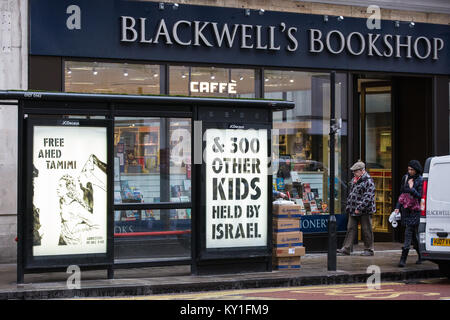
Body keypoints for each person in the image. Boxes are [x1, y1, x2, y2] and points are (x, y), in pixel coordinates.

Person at [337, 160, 376, 256]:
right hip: (353, 209)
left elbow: (368, 197)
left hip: (364, 210)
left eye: (356, 171)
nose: (354, 173)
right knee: (350, 228)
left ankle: (369, 249)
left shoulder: (368, 181)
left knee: (366, 229)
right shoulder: (355, 179)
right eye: (353, 171)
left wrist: (360, 207)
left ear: (362, 171)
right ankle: (346, 248)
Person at [395, 160, 423, 267]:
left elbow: (420, 196)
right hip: (406, 209)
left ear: (416, 170)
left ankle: (403, 259)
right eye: (409, 169)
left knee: (409, 232)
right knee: (413, 235)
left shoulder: (420, 180)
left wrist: (411, 188)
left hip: (416, 210)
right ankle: (420, 255)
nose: (409, 171)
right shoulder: (405, 178)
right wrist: (397, 207)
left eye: (412, 169)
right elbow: (402, 193)